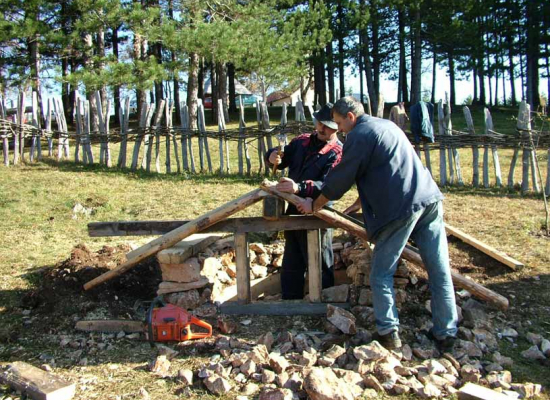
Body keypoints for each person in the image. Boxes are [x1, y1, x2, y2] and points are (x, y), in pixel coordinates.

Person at [297, 96, 458, 351]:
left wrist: (314, 205)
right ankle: (446, 333)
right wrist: (360, 202)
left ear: (351, 117)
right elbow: (388, 168)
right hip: (429, 199)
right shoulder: (387, 126)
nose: (339, 129)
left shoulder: (359, 135)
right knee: (438, 270)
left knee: (381, 273)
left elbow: (340, 180)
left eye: (339, 123)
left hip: (401, 208)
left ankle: (388, 333)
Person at [266, 103, 342, 299]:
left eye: (329, 126)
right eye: (321, 124)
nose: (323, 129)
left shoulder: (338, 152)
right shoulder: (301, 142)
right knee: (292, 257)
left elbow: (329, 185)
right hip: (294, 208)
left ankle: (324, 301)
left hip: (319, 210)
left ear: (337, 128)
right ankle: (290, 300)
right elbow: (282, 157)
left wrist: (299, 187)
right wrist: (272, 156)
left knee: (319, 258)